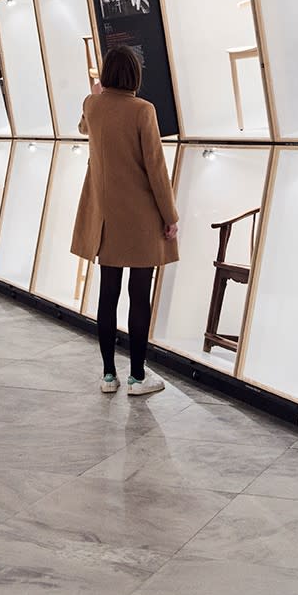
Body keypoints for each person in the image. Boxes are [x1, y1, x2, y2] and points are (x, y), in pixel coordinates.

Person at [71, 45, 178, 396]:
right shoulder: (142, 110)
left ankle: (107, 376)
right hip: (142, 219)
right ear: (135, 75)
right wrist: (170, 216)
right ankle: (137, 377)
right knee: (139, 296)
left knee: (108, 295)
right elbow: (156, 170)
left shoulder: (93, 105)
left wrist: (95, 96)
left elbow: (83, 127)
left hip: (106, 219)